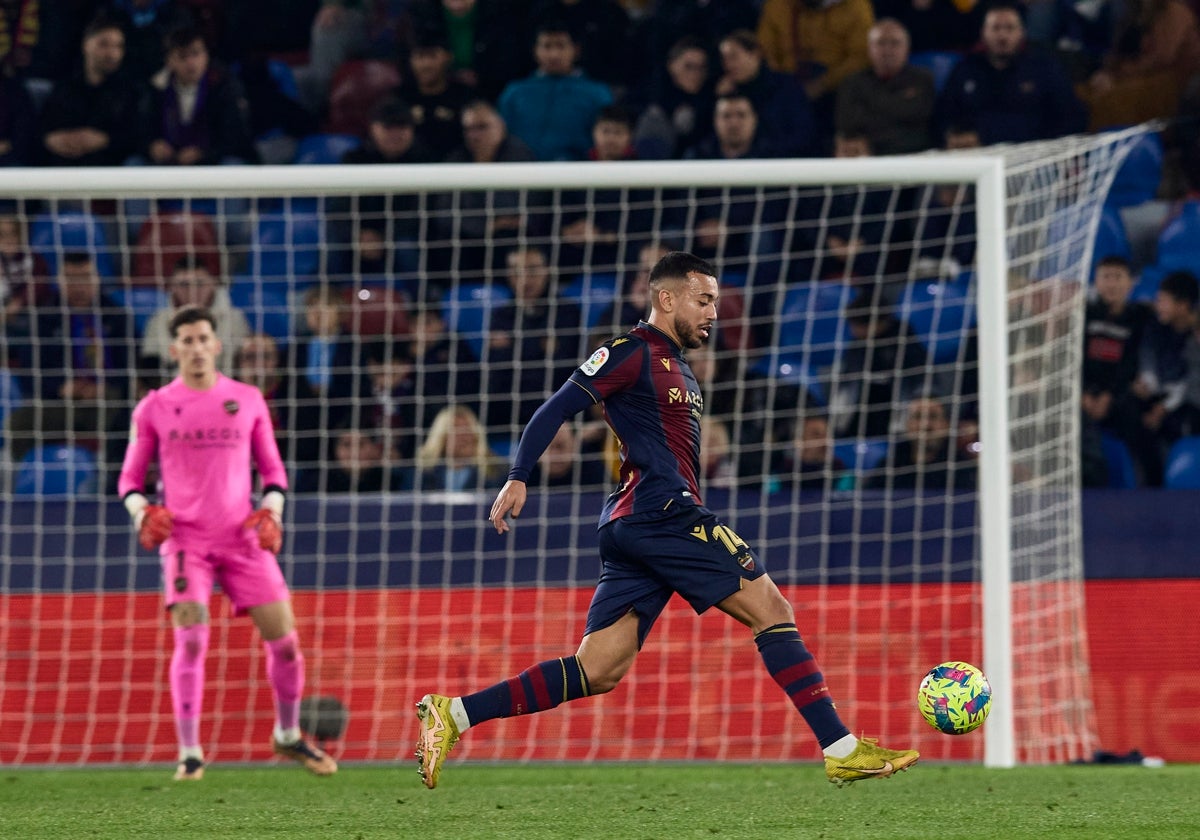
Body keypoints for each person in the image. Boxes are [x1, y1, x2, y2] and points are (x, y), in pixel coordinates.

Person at [414, 250, 919, 789]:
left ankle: (454, 714)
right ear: (666, 297)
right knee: (771, 607)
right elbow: (556, 407)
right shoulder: (630, 351)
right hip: (663, 512)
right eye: (703, 300)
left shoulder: (679, 368)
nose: (712, 313)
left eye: (716, 303)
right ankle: (841, 747)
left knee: (598, 669)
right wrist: (518, 475)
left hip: (637, 523)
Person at [116, 305, 337, 780]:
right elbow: (129, 481)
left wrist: (272, 511)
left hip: (242, 538)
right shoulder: (154, 406)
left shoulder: (248, 399)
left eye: (203, 339)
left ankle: (287, 735)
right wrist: (142, 513)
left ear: (217, 344)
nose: (196, 348)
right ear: (174, 350)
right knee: (192, 638)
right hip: (184, 541)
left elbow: (274, 471)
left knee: (287, 645)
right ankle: (191, 752)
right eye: (187, 341)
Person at [935, 2, 1087, 145]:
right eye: (995, 28)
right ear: (983, 33)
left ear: (1022, 32)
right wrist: (949, 136)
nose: (1002, 36)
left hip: (1032, 157)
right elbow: (943, 115)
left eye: (1009, 28)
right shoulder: (965, 69)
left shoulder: (1044, 68)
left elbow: (1072, 118)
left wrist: (988, 136)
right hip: (975, 157)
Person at [496, 20, 614, 161]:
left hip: (578, 175)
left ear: (576, 50)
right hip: (521, 174)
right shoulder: (514, 94)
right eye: (546, 46)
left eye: (561, 46)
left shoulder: (597, 94)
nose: (554, 55)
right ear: (535, 50)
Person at [38, 12, 142, 167]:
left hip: (111, 169)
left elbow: (138, 136)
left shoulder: (130, 91)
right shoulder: (65, 87)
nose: (112, 53)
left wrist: (106, 140)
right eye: (103, 44)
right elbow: (43, 128)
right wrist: (50, 139)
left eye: (118, 46)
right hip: (63, 168)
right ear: (86, 44)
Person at [141, 254, 251, 384]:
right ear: (172, 287)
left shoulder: (235, 319)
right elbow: (150, 371)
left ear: (213, 284)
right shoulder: (157, 321)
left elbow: (244, 366)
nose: (192, 291)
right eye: (184, 284)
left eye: (199, 283)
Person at [835, 18, 936, 156]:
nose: (887, 50)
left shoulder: (922, 80)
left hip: (913, 157)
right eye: (880, 43)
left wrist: (872, 140)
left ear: (907, 48)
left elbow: (921, 124)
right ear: (869, 48)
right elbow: (848, 124)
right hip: (864, 159)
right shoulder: (853, 83)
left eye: (895, 43)